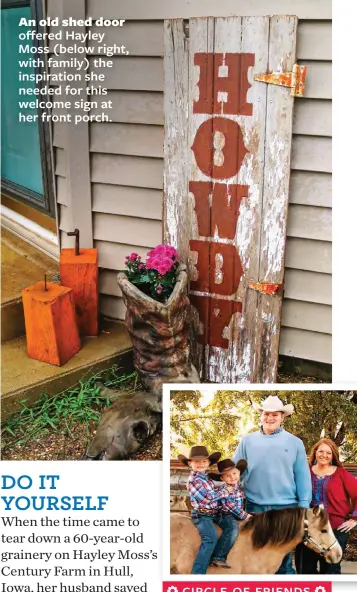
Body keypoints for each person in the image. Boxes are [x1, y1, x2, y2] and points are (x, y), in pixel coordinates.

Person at [233, 395, 312, 575]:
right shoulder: (247, 441)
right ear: (261, 415)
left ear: (282, 417)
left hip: (286, 508)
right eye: (266, 414)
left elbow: (302, 476)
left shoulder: (295, 443)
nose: (270, 418)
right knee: (255, 558)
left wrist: (303, 506)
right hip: (255, 506)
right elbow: (236, 472)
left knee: (282, 561)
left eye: (275, 415)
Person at [295, 438, 357, 574]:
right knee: (305, 569)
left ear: (333, 455)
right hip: (307, 529)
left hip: (335, 528)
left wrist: (354, 518)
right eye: (321, 451)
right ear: (315, 452)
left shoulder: (341, 474)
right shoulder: (305, 472)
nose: (324, 455)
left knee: (330, 570)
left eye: (328, 453)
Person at [178, 445, 239, 574]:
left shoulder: (206, 478)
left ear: (209, 463)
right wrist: (225, 491)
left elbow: (212, 492)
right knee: (210, 539)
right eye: (196, 461)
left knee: (232, 526)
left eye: (204, 461)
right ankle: (197, 572)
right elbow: (206, 499)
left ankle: (218, 556)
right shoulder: (193, 480)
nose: (201, 464)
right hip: (202, 515)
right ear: (190, 463)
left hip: (214, 513)